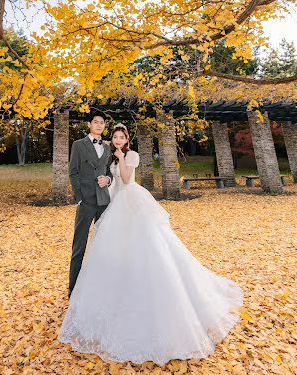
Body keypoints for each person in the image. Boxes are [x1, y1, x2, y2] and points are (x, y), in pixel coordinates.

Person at [59, 123, 243, 365]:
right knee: (114, 251)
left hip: (132, 201)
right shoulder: (108, 155)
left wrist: (121, 158)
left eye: (121, 137)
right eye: (114, 137)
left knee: (146, 246)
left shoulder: (129, 155)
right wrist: (104, 179)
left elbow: (125, 178)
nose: (117, 140)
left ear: (126, 139)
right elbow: (110, 180)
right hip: (114, 203)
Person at [68, 110, 113, 298]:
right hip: (86, 202)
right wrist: (79, 197)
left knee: (104, 245)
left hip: (103, 202)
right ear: (89, 124)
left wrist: (108, 180)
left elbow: (111, 171)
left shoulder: (109, 147)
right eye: (96, 122)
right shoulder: (78, 145)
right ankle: (73, 290)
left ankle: (100, 288)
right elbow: (73, 172)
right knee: (79, 246)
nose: (99, 125)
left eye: (102, 122)